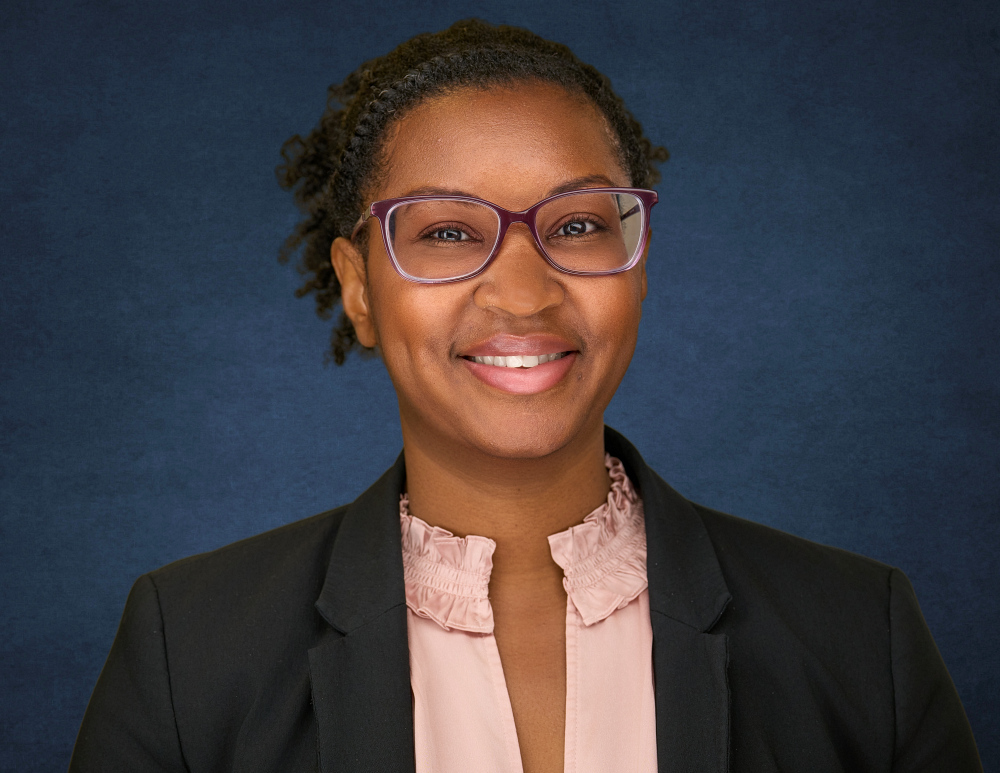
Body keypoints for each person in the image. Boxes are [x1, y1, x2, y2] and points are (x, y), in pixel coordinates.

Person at [69, 19, 982, 773]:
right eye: (446, 232)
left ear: (638, 266)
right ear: (359, 288)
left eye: (577, 224)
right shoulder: (189, 651)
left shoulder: (860, 636)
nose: (521, 292)